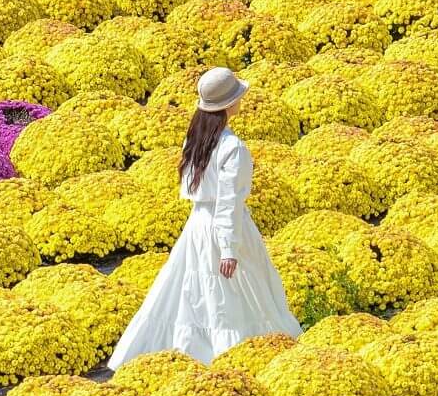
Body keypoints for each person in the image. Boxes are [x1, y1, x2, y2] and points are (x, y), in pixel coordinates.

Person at [107, 67, 301, 369]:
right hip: (224, 228)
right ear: (228, 105)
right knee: (230, 297)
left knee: (194, 292)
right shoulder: (232, 148)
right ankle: (233, 356)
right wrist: (228, 249)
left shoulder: (196, 139)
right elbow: (229, 203)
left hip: (197, 225)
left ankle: (192, 353)